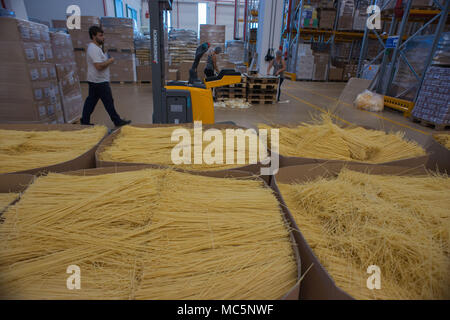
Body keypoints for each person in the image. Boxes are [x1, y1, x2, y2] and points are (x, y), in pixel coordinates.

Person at [80, 26, 131, 127]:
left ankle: (85, 120)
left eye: (103, 35)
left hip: (97, 80)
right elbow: (98, 66)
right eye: (100, 35)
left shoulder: (96, 48)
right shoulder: (93, 49)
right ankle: (117, 121)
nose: (103, 37)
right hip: (98, 82)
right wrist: (110, 61)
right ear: (94, 36)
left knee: (92, 101)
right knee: (107, 102)